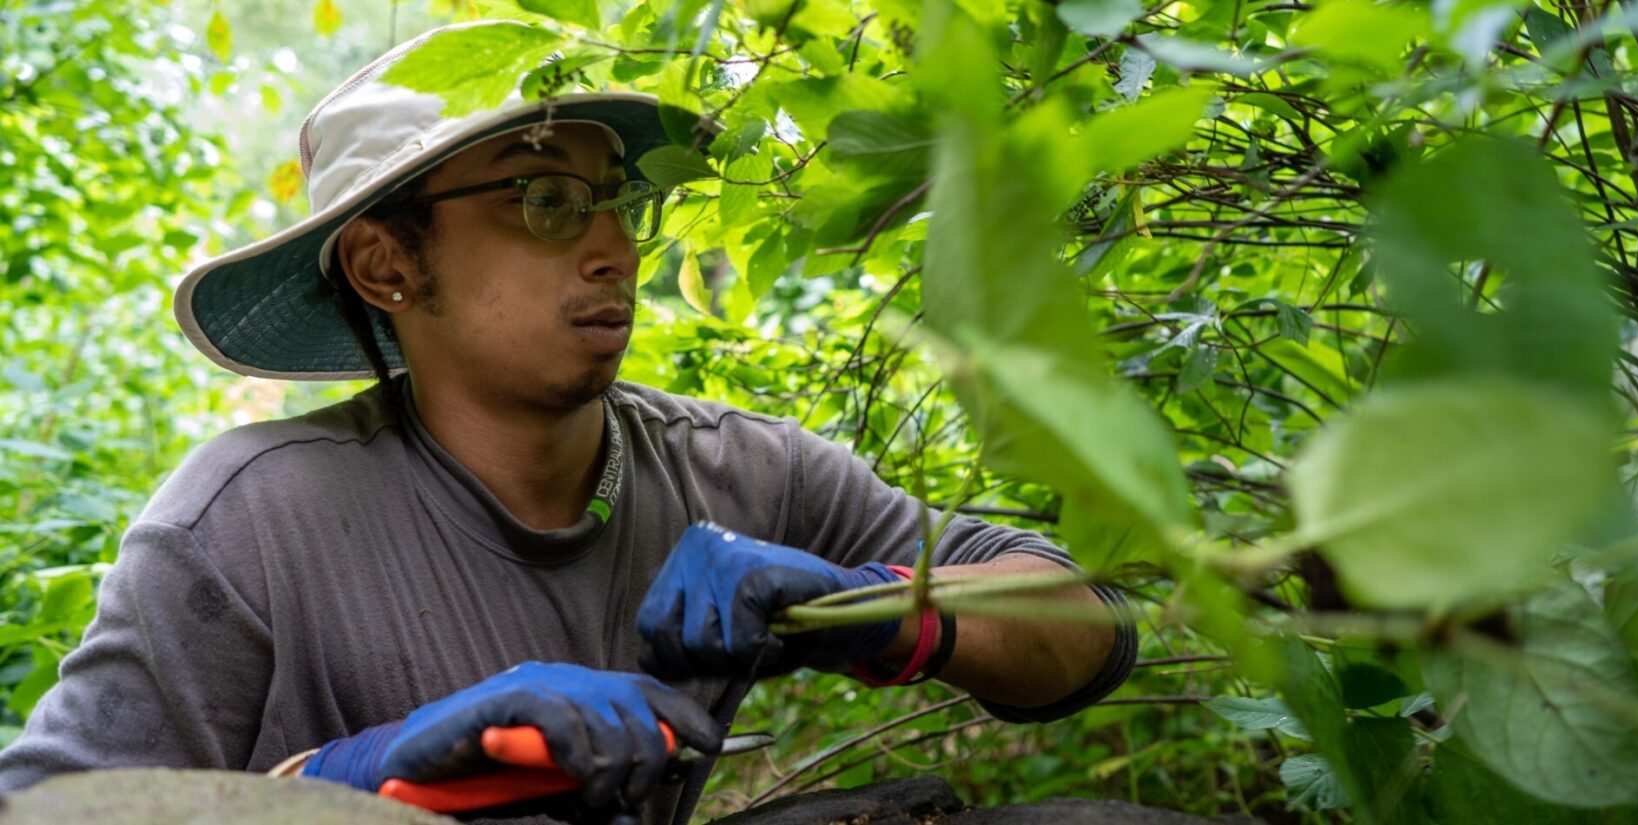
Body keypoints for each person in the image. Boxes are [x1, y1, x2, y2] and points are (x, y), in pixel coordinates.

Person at [0, 19, 1137, 825]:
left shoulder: (737, 474)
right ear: (386, 261)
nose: (614, 248)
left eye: (614, 201)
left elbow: (1087, 633)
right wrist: (357, 777)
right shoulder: (246, 525)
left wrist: (887, 615)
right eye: (545, 200)